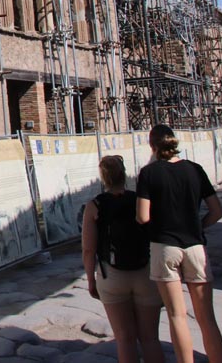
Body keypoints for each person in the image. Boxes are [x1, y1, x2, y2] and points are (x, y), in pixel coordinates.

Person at [136, 124, 222, 363]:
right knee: (207, 318)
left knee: (177, 315)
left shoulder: (149, 173)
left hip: (164, 245)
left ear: (152, 146)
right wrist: (198, 226)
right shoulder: (195, 169)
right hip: (194, 244)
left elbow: (142, 216)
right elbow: (217, 211)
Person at [82, 155, 164, 363]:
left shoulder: (94, 205)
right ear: (124, 174)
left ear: (103, 178)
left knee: (125, 339)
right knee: (150, 338)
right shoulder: (140, 200)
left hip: (112, 274)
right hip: (145, 271)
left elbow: (88, 249)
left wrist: (91, 280)